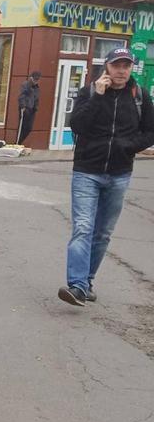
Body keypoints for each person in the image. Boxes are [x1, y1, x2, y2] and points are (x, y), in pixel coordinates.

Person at [58, 48, 154, 306]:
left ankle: (86, 281)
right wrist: (98, 97)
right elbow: (77, 125)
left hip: (119, 173)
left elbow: (149, 132)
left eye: (126, 65)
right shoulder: (89, 92)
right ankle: (77, 286)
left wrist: (127, 146)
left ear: (131, 68)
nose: (121, 70)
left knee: (102, 233)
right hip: (87, 172)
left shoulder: (140, 96)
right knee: (83, 228)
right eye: (117, 65)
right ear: (107, 67)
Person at [17, 70, 41, 145]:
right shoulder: (26, 85)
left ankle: (19, 142)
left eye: (37, 80)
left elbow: (36, 98)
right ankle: (18, 142)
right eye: (34, 79)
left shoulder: (37, 87)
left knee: (29, 128)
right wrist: (23, 106)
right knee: (22, 126)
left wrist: (36, 107)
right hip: (25, 108)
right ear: (31, 78)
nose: (36, 81)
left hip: (32, 109)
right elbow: (21, 96)